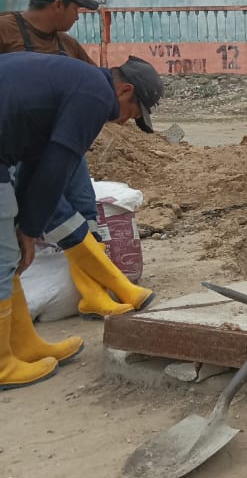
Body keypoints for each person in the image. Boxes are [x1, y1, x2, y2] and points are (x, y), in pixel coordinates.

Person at [0, 54, 164, 390]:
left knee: (6, 254)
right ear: (125, 90)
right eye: (133, 113)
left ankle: (24, 345)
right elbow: (56, 168)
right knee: (3, 258)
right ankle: (3, 365)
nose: (124, 123)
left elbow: (37, 161)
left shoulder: (81, 83)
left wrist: (27, 225)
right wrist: (29, 230)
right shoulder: (94, 97)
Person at [0, 0, 132, 316]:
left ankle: (94, 292)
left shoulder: (68, 46)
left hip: (61, 138)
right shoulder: (5, 30)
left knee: (84, 205)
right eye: (77, 9)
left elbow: (97, 88)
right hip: (15, 142)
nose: (78, 16)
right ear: (58, 5)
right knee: (48, 203)